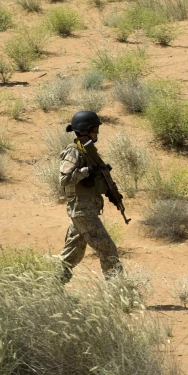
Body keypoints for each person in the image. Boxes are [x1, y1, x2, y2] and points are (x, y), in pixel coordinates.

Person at [58, 110, 123, 283]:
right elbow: (64, 179)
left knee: (71, 254)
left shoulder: (88, 151)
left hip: (84, 210)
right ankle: (118, 291)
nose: (97, 133)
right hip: (82, 210)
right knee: (107, 249)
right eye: (95, 129)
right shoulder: (74, 152)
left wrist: (111, 192)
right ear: (85, 130)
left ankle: (51, 288)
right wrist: (88, 171)